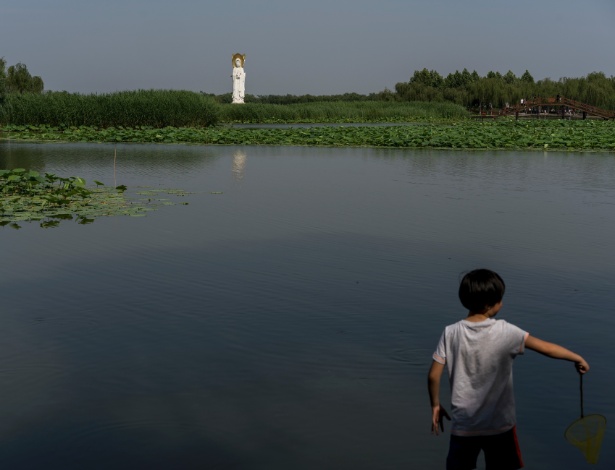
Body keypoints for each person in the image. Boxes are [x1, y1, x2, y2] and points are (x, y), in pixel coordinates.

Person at [427, 269, 589, 470]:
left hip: (464, 427)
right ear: (489, 305)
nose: (502, 303)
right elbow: (546, 348)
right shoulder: (507, 332)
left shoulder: (450, 332)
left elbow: (434, 376)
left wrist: (435, 405)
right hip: (500, 427)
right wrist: (577, 357)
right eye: (500, 299)